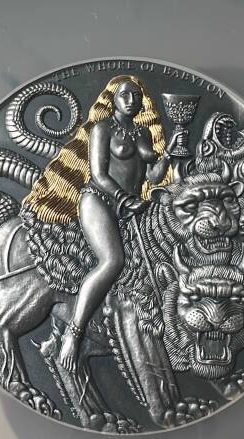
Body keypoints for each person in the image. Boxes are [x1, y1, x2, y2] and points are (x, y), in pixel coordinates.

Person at [23, 75, 185, 372]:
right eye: (124, 95)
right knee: (112, 261)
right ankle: (74, 334)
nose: (130, 100)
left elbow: (152, 176)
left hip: (128, 208)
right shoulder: (102, 129)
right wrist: (123, 198)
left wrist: (169, 153)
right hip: (98, 201)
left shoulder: (142, 133)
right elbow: (98, 174)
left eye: (136, 96)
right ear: (113, 99)